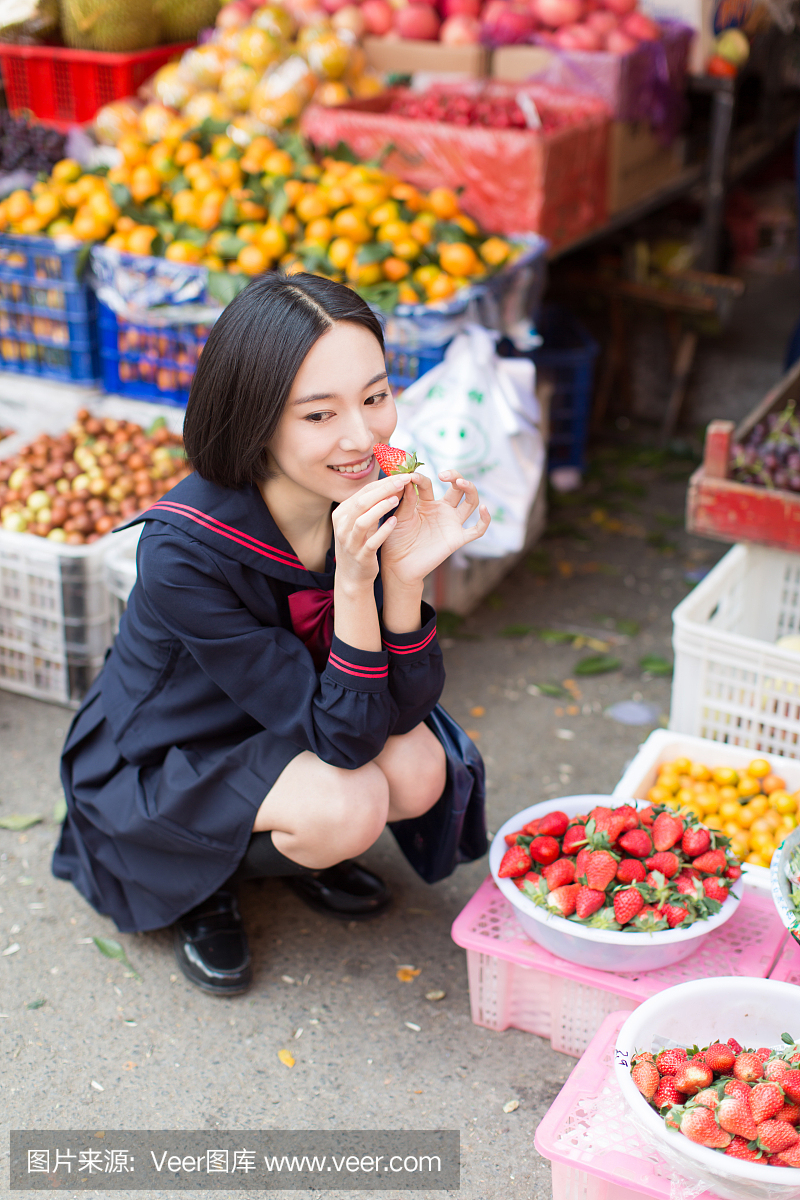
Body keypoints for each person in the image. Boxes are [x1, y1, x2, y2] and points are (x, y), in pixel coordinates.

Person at [52, 272, 490, 996]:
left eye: (376, 397)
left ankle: (296, 853)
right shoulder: (182, 551)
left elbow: (402, 712)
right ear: (256, 418)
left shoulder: (359, 501)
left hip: (298, 721)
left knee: (417, 768)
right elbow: (347, 743)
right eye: (320, 415)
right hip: (168, 757)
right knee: (348, 805)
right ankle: (202, 885)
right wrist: (353, 583)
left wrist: (404, 581)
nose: (364, 436)